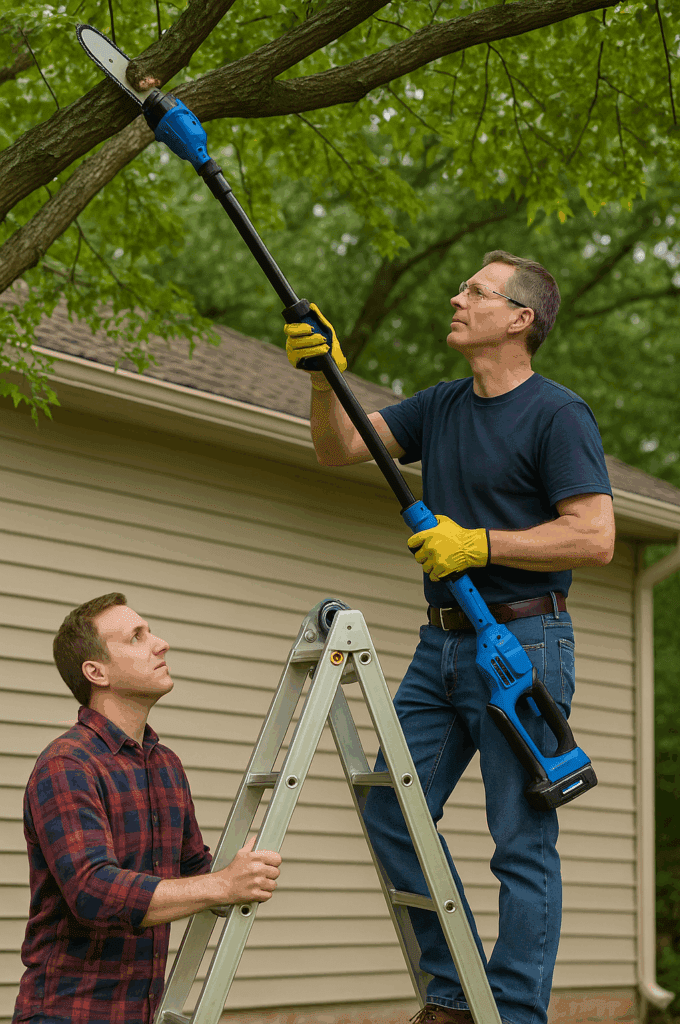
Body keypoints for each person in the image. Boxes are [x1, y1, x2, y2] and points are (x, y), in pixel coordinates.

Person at [284, 251, 615, 1024]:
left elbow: (593, 536)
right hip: (440, 646)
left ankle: (515, 1011)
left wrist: (478, 544)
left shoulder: (557, 414)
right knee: (392, 812)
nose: (457, 298)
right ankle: (456, 992)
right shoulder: (439, 406)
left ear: (519, 319)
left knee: (518, 842)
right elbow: (337, 447)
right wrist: (322, 376)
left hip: (523, 644)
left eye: (476, 290)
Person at [13, 592, 282, 1024]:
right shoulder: (67, 765)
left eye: (150, 632)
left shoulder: (165, 765)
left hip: (144, 1013)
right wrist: (222, 886)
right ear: (96, 672)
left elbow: (195, 871)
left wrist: (242, 873)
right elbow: (93, 892)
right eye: (136, 637)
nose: (160, 644)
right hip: (68, 1013)